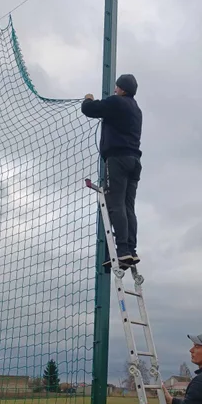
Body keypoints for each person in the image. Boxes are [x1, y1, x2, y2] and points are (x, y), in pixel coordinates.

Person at [81, 73, 142, 269]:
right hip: (134, 160)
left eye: (117, 87)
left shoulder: (117, 102)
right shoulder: (136, 109)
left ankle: (122, 251)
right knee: (128, 206)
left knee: (114, 204)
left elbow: (90, 110)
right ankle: (130, 250)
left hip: (117, 159)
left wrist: (88, 99)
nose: (114, 89)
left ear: (122, 89)